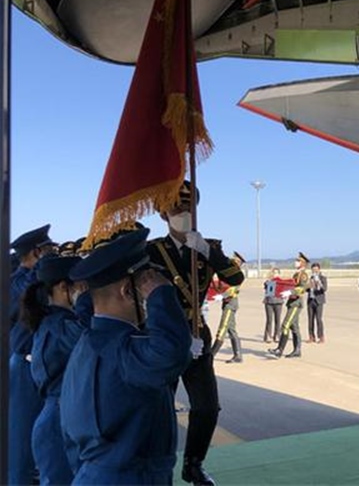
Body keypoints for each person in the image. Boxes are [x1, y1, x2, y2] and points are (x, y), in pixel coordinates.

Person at [60, 228, 192, 484]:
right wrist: (161, 295)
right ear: (128, 292)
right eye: (145, 285)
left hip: (93, 473)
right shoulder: (124, 350)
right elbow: (172, 353)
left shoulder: (87, 341)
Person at [147, 181, 244, 485]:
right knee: (158, 407)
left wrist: (207, 251)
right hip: (163, 334)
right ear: (164, 215)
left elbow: (235, 276)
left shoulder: (207, 248)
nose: (183, 214)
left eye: (188, 208)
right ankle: (155, 464)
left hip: (198, 336)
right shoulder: (152, 251)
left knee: (207, 407)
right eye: (177, 208)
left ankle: (193, 464)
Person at [22, 256, 84, 485]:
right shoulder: (58, 326)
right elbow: (89, 338)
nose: (84, 292)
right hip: (58, 421)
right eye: (81, 287)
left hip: (62, 415)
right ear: (62, 288)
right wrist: (88, 301)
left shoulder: (54, 321)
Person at [8, 224, 57, 485]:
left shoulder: (41, 279)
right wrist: (43, 264)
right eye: (48, 249)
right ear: (36, 252)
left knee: (43, 440)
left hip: (41, 365)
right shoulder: (16, 280)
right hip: (23, 367)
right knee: (20, 443)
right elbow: (24, 296)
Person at [267, 252, 309, 359]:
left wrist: (291, 292)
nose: (296, 262)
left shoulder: (303, 275)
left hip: (296, 303)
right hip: (291, 302)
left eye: (298, 261)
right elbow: (292, 285)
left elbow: (302, 288)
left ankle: (279, 350)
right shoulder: (296, 274)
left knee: (285, 325)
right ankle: (297, 350)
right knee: (294, 327)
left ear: (303, 263)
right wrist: (286, 292)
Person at [307, 262, 328, 343]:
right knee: (310, 319)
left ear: (319, 269)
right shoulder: (311, 278)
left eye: (316, 269)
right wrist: (307, 286)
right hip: (310, 300)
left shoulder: (323, 278)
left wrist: (318, 281)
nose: (314, 271)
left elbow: (324, 289)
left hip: (319, 301)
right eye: (313, 270)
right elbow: (307, 290)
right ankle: (311, 336)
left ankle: (321, 336)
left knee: (319, 319)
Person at [262, 268, 284, 343]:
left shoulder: (281, 282)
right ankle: (268, 336)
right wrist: (268, 280)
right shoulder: (269, 281)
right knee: (269, 320)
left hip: (278, 302)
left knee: (278, 320)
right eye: (274, 273)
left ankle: (277, 335)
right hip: (269, 302)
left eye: (277, 273)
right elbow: (266, 287)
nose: (275, 274)